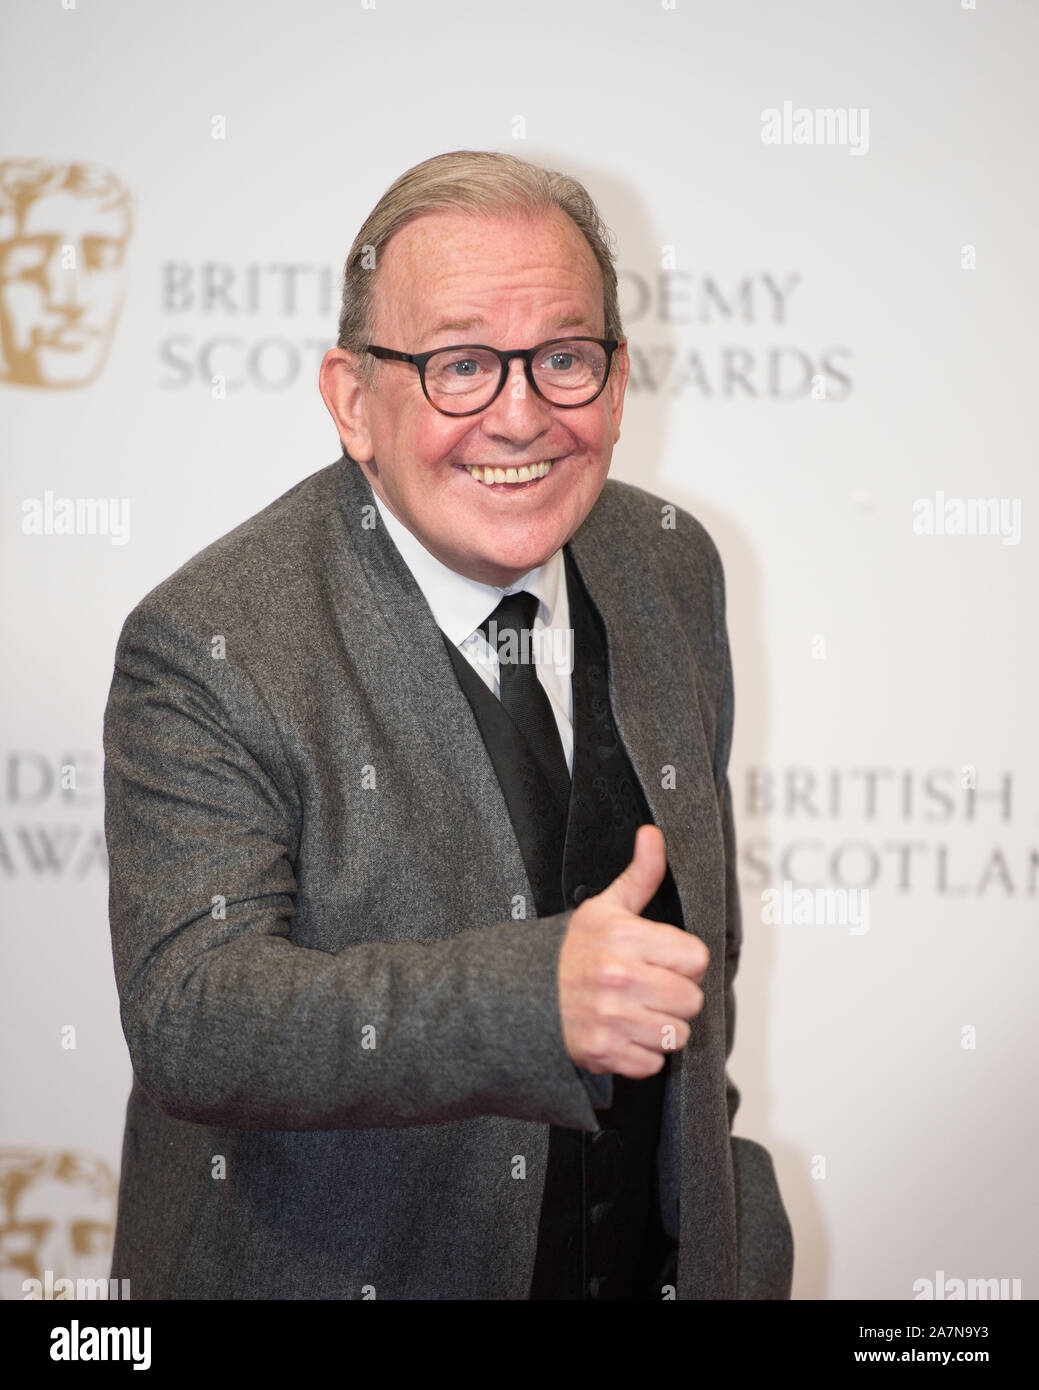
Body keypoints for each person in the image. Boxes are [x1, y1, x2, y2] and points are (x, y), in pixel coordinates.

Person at [103, 149, 793, 1300]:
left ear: (617, 383)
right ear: (350, 399)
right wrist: (528, 1002)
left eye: (564, 359)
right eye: (460, 365)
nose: (520, 416)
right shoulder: (210, 637)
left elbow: (690, 975)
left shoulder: (670, 564)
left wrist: (731, 1241)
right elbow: (193, 1014)